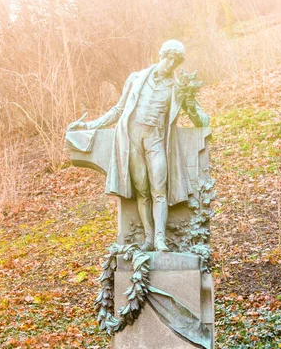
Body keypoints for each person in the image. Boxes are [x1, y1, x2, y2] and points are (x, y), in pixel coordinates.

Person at [68, 40, 209, 252]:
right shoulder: (136, 78)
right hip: (131, 139)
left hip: (156, 140)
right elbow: (118, 110)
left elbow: (202, 122)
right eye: (168, 57)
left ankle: (161, 239)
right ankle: (149, 239)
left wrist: (190, 102)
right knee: (142, 191)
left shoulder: (177, 87)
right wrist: (88, 125)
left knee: (159, 190)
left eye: (176, 61)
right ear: (161, 55)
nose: (170, 63)